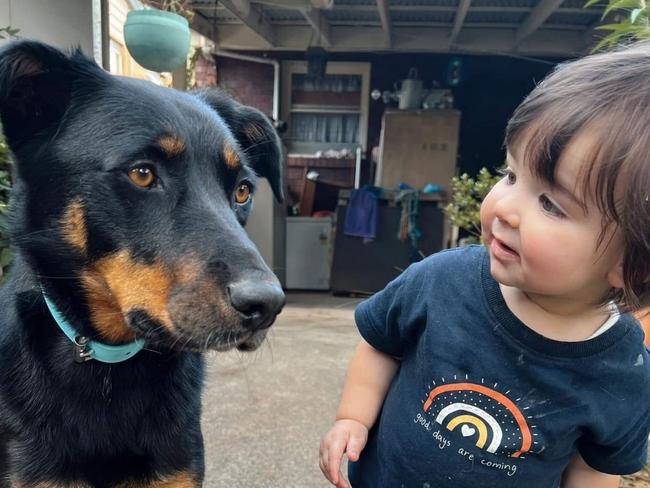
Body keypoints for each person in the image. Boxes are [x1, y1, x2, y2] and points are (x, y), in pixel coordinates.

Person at [319, 42, 650, 488]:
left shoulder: (625, 370)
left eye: (551, 203)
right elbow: (382, 344)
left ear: (633, 264)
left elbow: (593, 468)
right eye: (511, 175)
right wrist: (353, 418)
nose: (505, 208)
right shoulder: (441, 280)